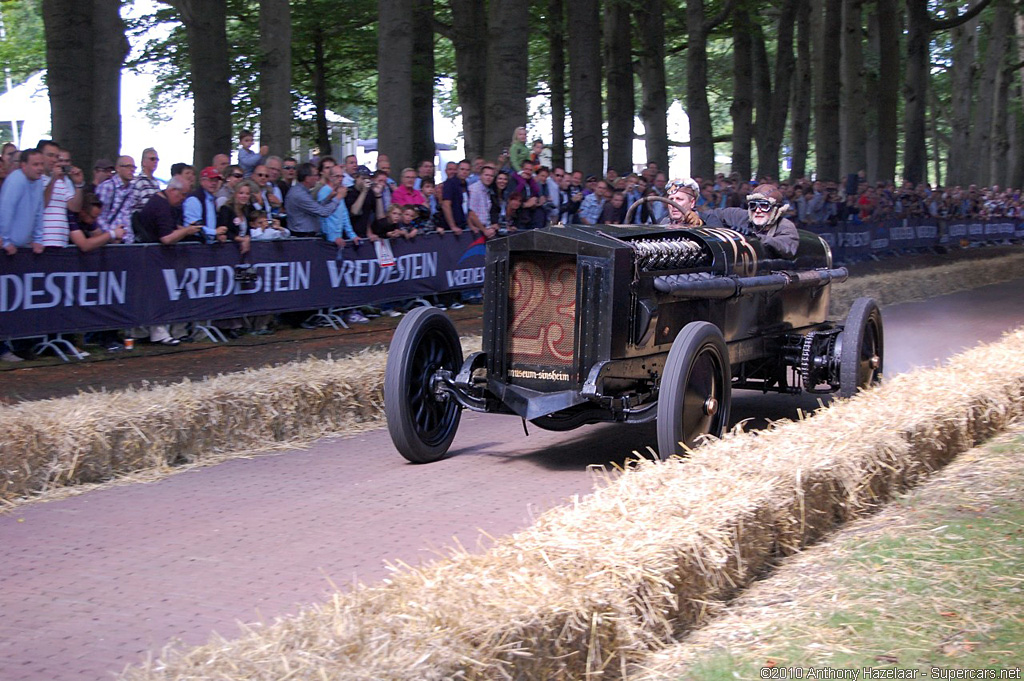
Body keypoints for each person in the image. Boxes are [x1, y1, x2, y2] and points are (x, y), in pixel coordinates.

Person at [702, 183, 800, 259]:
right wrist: (723, 232)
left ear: (777, 209)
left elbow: (786, 247)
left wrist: (753, 238)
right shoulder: (741, 216)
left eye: (764, 206)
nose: (757, 210)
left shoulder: (785, 226)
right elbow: (709, 214)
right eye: (753, 205)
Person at [0, 149, 46, 255]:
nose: (40, 168)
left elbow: (39, 212)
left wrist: (37, 239)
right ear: (24, 165)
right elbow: (6, 211)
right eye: (35, 164)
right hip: (6, 247)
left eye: (42, 164)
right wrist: (5, 241)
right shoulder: (15, 180)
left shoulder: (38, 181)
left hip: (23, 246)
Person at [40, 143, 85, 248]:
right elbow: (42, 204)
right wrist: (53, 180)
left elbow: (75, 207)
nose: (54, 160)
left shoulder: (61, 182)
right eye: (50, 155)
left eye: (56, 157)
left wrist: (79, 185)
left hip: (61, 242)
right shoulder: (36, 180)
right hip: (43, 243)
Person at [284, 162, 346, 237]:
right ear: (307, 178)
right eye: (315, 175)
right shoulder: (299, 194)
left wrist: (329, 198)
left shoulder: (303, 191)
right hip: (303, 237)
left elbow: (315, 208)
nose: (318, 178)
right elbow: (323, 212)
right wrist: (338, 197)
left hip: (307, 235)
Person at [95, 156, 138, 242]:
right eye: (128, 166)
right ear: (118, 168)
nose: (132, 170)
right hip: (110, 242)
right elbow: (99, 217)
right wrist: (112, 234)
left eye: (133, 167)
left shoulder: (132, 189)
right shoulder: (107, 187)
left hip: (128, 242)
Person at [182, 166, 224, 243]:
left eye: (216, 180)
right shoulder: (194, 200)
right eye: (211, 180)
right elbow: (194, 227)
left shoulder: (212, 199)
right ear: (202, 181)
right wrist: (215, 232)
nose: (214, 183)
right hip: (194, 245)